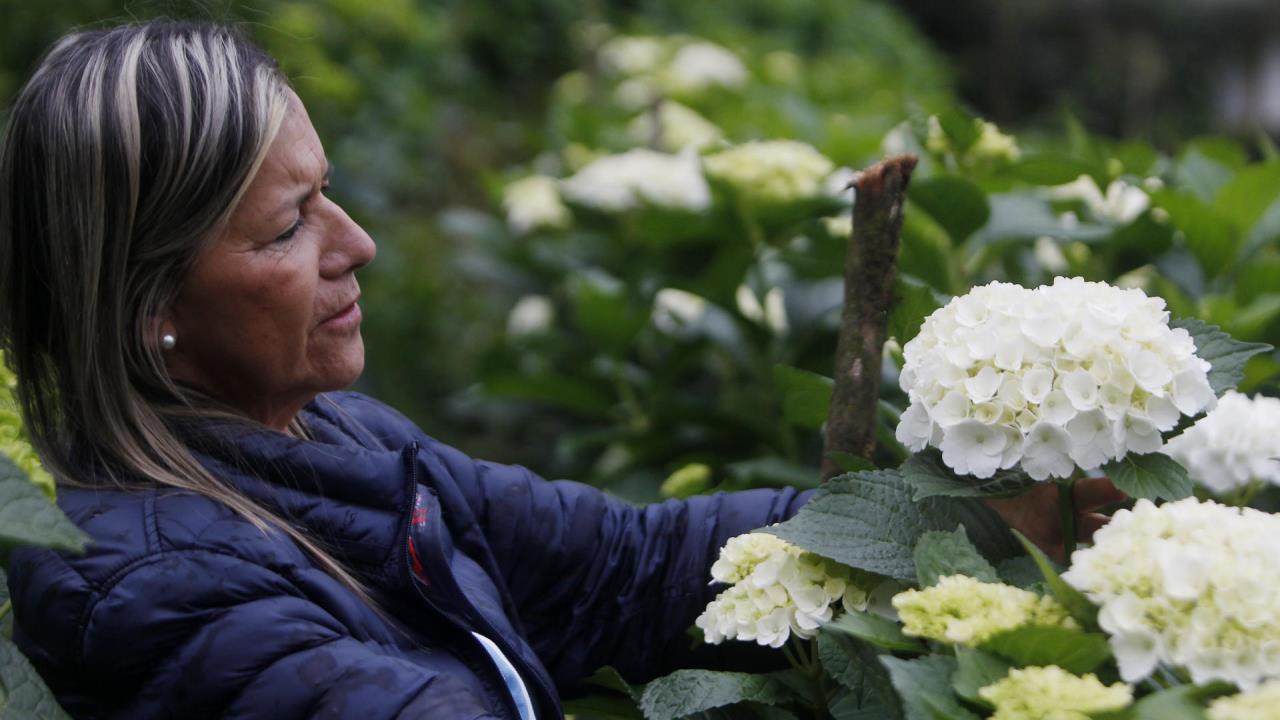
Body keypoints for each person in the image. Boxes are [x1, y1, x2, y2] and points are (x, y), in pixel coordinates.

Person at [0, 21, 1112, 719]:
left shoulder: (329, 436)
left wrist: (962, 522)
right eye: (288, 227)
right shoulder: (156, 588)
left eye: (325, 191)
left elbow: (615, 569)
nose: (357, 244)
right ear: (150, 304)